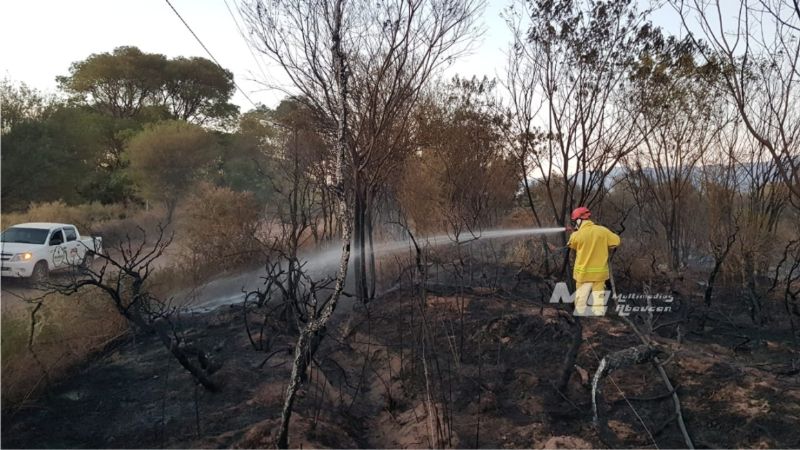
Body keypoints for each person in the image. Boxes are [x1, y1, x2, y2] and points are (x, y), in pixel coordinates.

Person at [554, 206, 621, 316]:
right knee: (598, 299)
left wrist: (576, 232)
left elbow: (572, 244)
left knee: (580, 300)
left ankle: (581, 318)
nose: (575, 223)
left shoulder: (576, 235)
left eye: (575, 221)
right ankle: (599, 320)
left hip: (582, 274)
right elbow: (616, 241)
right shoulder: (602, 231)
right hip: (599, 274)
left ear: (579, 220)